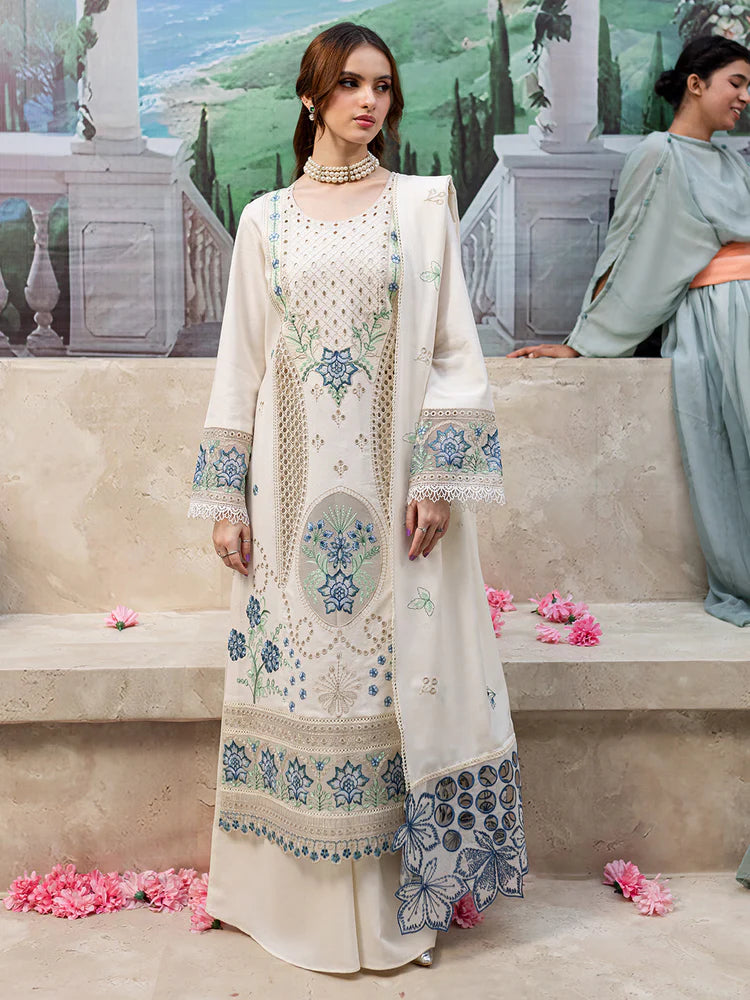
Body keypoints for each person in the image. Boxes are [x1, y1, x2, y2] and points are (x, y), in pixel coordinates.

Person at [188, 22, 527, 973]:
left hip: (393, 494)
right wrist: (226, 497)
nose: (368, 101)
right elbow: (241, 364)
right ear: (312, 97)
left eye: (381, 85)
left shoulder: (421, 207)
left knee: (389, 689)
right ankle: (276, 899)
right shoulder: (265, 220)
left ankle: (392, 899)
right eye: (348, 84)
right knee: (296, 680)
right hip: (287, 496)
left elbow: (456, 348)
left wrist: (439, 477)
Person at [508, 35, 750, 628]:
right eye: (737, 82)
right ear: (696, 83)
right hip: (719, 315)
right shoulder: (658, 153)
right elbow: (628, 250)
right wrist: (584, 341)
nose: (745, 96)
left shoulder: (731, 161)